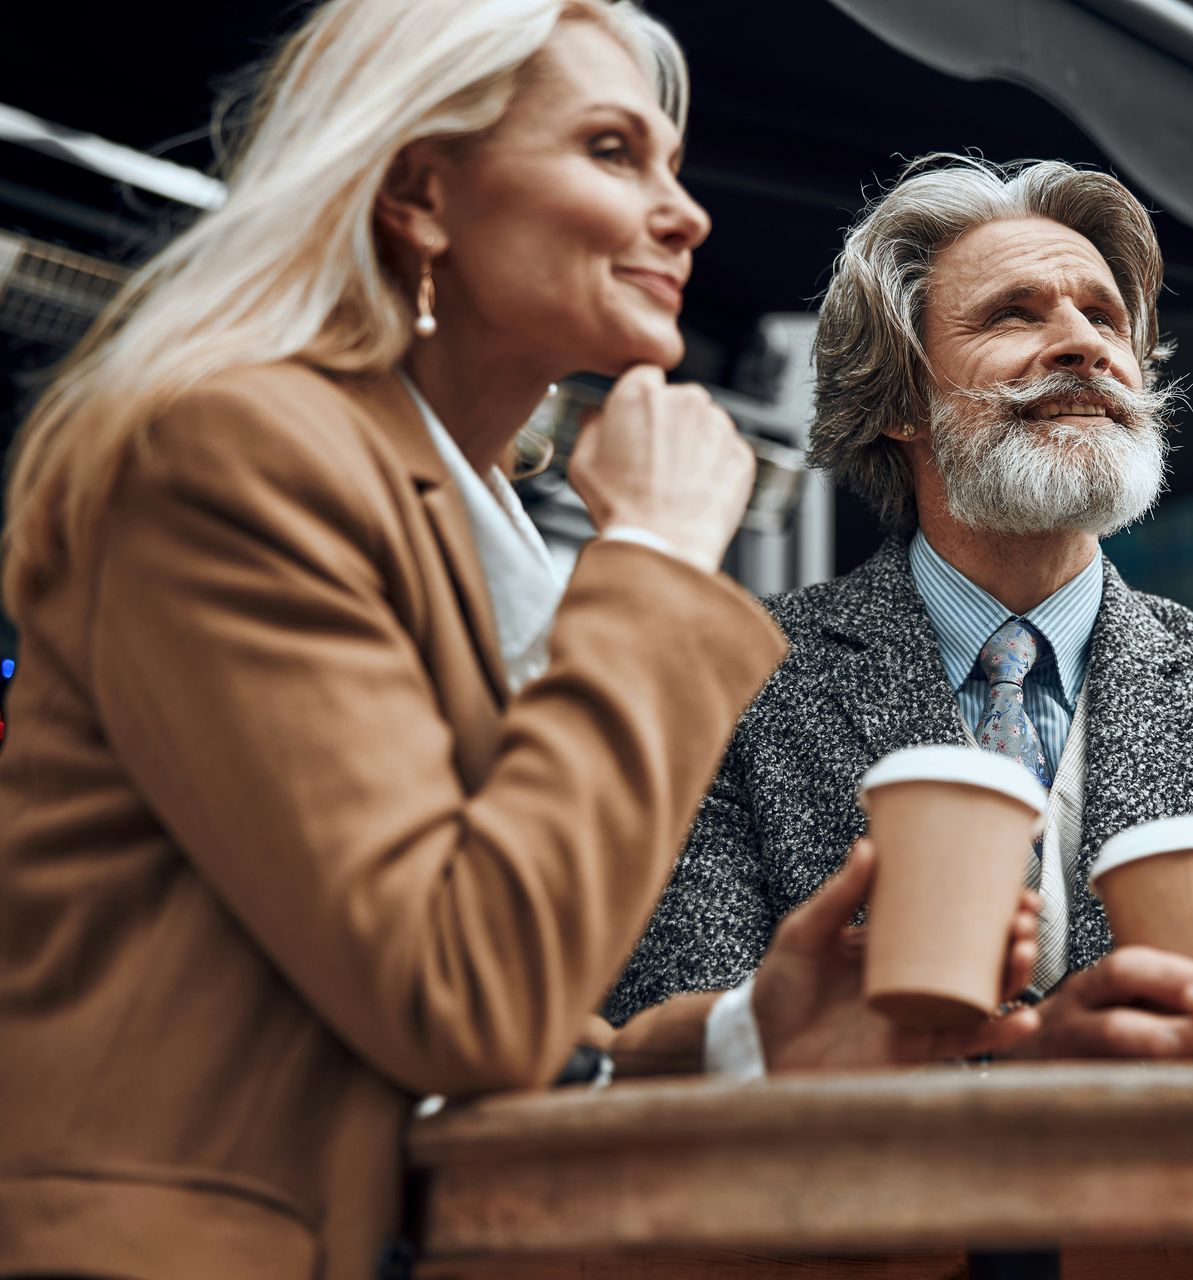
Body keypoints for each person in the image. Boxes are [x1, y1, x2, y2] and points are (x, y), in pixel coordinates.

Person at [0, 13, 1034, 1280]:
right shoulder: (239, 450)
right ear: (424, 192)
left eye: (672, 163)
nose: (685, 214)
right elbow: (463, 993)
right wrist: (653, 554)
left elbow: (417, 1037)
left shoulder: (433, 518)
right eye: (612, 150)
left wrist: (751, 1039)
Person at [607, 155, 1193, 1072]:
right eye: (1016, 313)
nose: (1083, 343)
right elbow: (670, 1053)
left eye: (1105, 317)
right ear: (900, 396)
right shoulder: (736, 677)